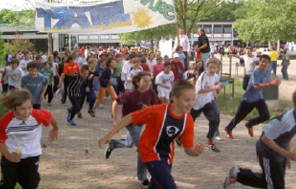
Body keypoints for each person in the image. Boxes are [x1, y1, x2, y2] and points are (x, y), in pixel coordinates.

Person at [99, 79, 204, 189]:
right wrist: (110, 135)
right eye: (187, 100)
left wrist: (194, 152)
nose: (191, 103)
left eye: (193, 99)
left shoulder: (188, 120)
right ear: (174, 97)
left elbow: (188, 149)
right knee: (170, 186)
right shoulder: (158, 111)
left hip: (166, 157)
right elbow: (131, 117)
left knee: (157, 186)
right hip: (149, 152)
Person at [223, 91, 296, 189]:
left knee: (270, 182)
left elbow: (287, 136)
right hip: (268, 152)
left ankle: (237, 174)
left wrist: (287, 154)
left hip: (280, 154)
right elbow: (265, 138)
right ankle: (238, 174)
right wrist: (286, 154)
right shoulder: (286, 120)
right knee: (274, 185)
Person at [104, 72, 160, 187]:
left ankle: (113, 144)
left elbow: (157, 106)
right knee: (142, 148)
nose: (148, 83)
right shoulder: (130, 94)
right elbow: (115, 102)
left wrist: (149, 109)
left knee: (130, 144)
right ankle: (142, 177)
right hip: (130, 123)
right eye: (145, 81)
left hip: (142, 122)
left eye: (149, 81)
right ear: (137, 82)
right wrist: (115, 120)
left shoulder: (151, 92)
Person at [0, 89, 58, 189]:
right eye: (22, 109)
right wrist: (8, 156)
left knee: (30, 185)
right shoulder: (6, 120)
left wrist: (55, 128)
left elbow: (50, 116)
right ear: (14, 108)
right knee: (8, 185)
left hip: (31, 155)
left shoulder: (37, 115)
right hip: (11, 154)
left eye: (29, 108)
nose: (27, 112)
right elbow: (1, 141)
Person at [225, 55, 281, 139]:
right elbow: (256, 86)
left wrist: (276, 81)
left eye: (266, 62)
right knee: (239, 117)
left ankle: (250, 124)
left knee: (265, 116)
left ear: (269, 64)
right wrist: (270, 84)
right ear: (259, 62)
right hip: (248, 99)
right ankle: (228, 129)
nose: (264, 64)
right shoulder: (256, 72)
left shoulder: (269, 70)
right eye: (262, 61)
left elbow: (268, 79)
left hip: (259, 98)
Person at [190, 58, 224, 152]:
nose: (212, 70)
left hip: (208, 101)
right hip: (198, 102)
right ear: (207, 67)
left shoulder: (216, 76)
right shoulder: (203, 76)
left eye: (214, 68)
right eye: (210, 68)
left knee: (216, 118)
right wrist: (214, 88)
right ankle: (180, 137)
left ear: (217, 68)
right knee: (189, 122)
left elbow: (216, 85)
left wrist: (217, 91)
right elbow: (200, 91)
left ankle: (209, 142)